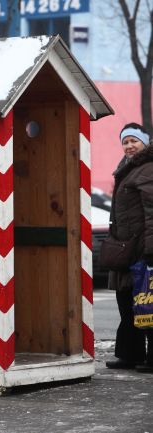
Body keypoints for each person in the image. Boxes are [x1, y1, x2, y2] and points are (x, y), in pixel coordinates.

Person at [104, 122, 153, 372]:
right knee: (127, 303)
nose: (129, 146)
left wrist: (150, 250)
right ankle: (130, 354)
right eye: (125, 142)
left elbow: (152, 212)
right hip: (126, 249)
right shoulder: (127, 168)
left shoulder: (147, 169)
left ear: (145, 142)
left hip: (141, 250)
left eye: (134, 140)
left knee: (148, 304)